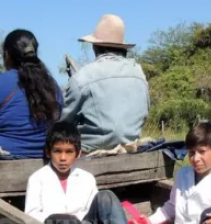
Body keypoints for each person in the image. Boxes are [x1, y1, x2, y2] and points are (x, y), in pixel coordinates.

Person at [24, 121, 144, 224]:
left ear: (78, 153)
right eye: (57, 151)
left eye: (69, 152)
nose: (62, 158)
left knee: (106, 196)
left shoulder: (86, 178)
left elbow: (94, 213)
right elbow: (31, 217)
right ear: (48, 152)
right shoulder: (38, 178)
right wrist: (60, 219)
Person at [60, 14, 150, 153]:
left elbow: (64, 125)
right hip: (133, 149)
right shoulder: (139, 74)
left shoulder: (82, 78)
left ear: (95, 47)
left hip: (90, 154)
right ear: (122, 48)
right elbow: (145, 112)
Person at [0, 29, 64, 158]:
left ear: (7, 55)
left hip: (2, 159)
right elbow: (57, 117)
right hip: (45, 159)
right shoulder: (53, 86)